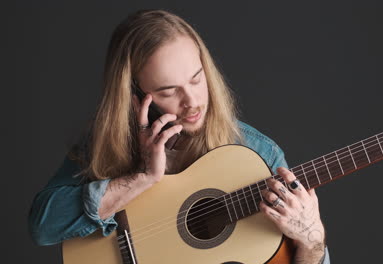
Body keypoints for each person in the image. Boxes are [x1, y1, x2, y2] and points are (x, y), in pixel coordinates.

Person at [28, 9, 330, 264]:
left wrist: (312, 241)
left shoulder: (257, 153)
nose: (192, 101)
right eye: (168, 91)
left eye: (197, 79)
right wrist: (142, 177)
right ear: (134, 96)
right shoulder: (110, 141)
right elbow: (43, 227)